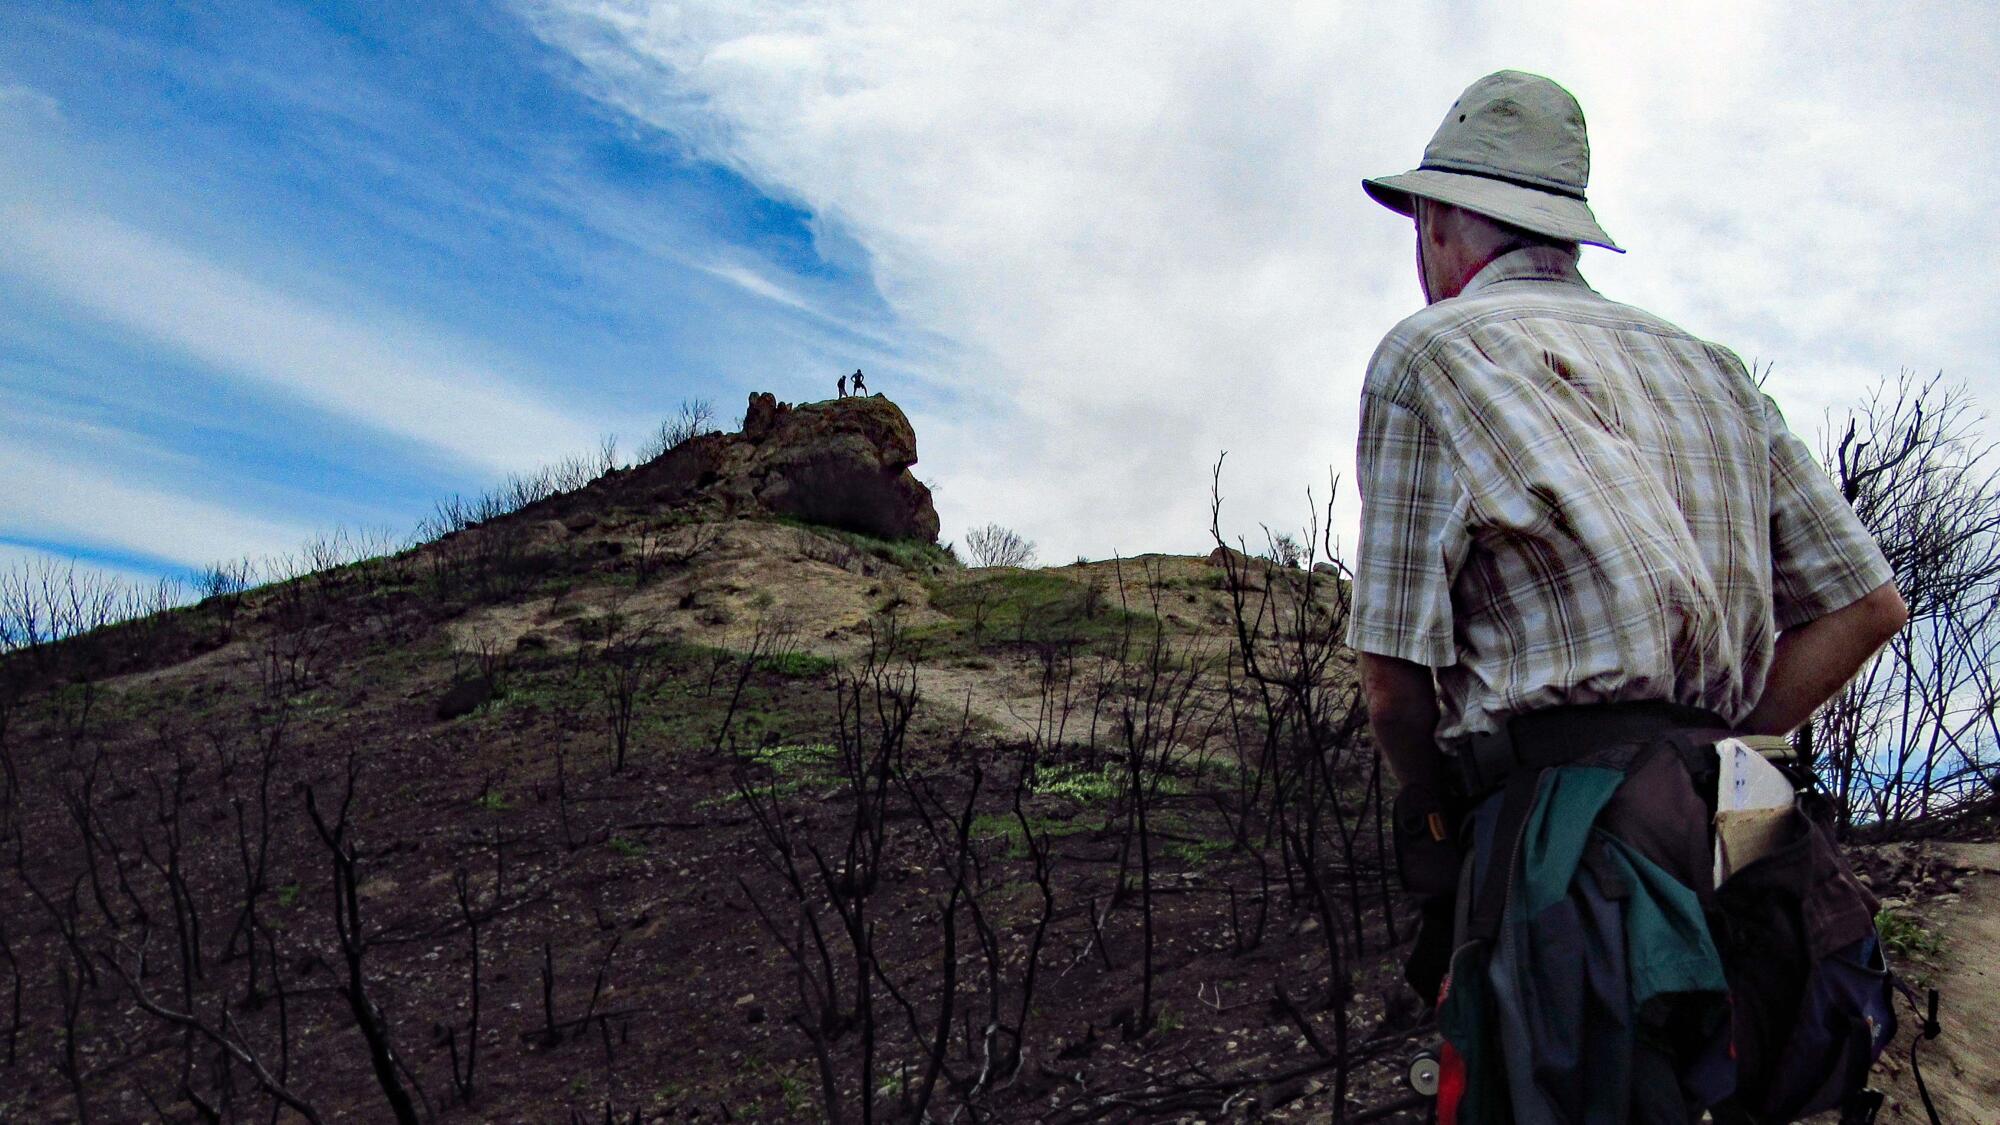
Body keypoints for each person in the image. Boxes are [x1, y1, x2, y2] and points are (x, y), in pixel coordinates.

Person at [1350, 71, 1907, 1123]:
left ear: (1432, 219)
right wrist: (1698, 754)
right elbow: (1865, 607)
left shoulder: (1427, 352)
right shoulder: (1709, 367)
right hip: (1744, 821)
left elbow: (1392, 688)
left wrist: (1436, 817)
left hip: (1563, 839)